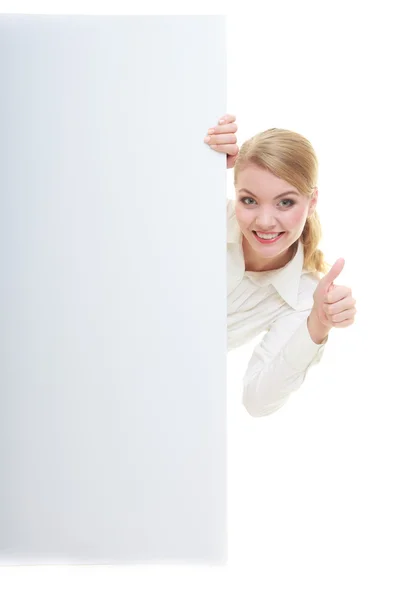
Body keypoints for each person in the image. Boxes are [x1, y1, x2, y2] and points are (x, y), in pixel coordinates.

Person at [204, 114, 357, 417]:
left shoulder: (305, 298)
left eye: (285, 202)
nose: (264, 221)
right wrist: (193, 161)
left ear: (312, 202)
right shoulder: (206, 216)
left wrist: (317, 325)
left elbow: (257, 402)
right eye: (249, 200)